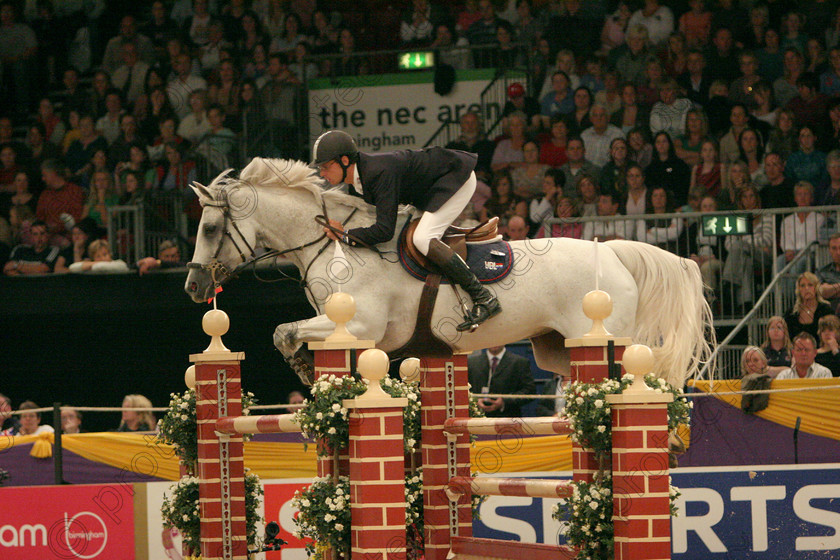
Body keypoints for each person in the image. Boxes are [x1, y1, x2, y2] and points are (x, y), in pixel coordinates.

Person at [314, 130, 500, 332]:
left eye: (325, 167)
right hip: (428, 190)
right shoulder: (358, 182)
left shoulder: (377, 172)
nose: (322, 173)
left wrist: (345, 235)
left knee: (422, 238)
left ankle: (483, 297)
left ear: (344, 160)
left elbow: (384, 231)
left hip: (455, 178)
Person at [467, 345, 535, 417]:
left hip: (509, 419)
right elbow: (464, 390)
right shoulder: (471, 362)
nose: (495, 342)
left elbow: (529, 391)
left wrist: (504, 402)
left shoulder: (520, 362)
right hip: (477, 419)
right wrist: (475, 401)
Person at [785, 272, 834, 341]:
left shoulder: (826, 310)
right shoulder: (791, 313)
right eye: (802, 286)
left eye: (810, 285)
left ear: (816, 288)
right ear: (799, 289)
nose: (806, 288)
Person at [818, 233, 840, 310]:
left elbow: (827, 292)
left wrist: (832, 290)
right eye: (834, 248)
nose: (838, 253)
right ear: (829, 250)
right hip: (829, 316)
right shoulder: (822, 272)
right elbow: (821, 292)